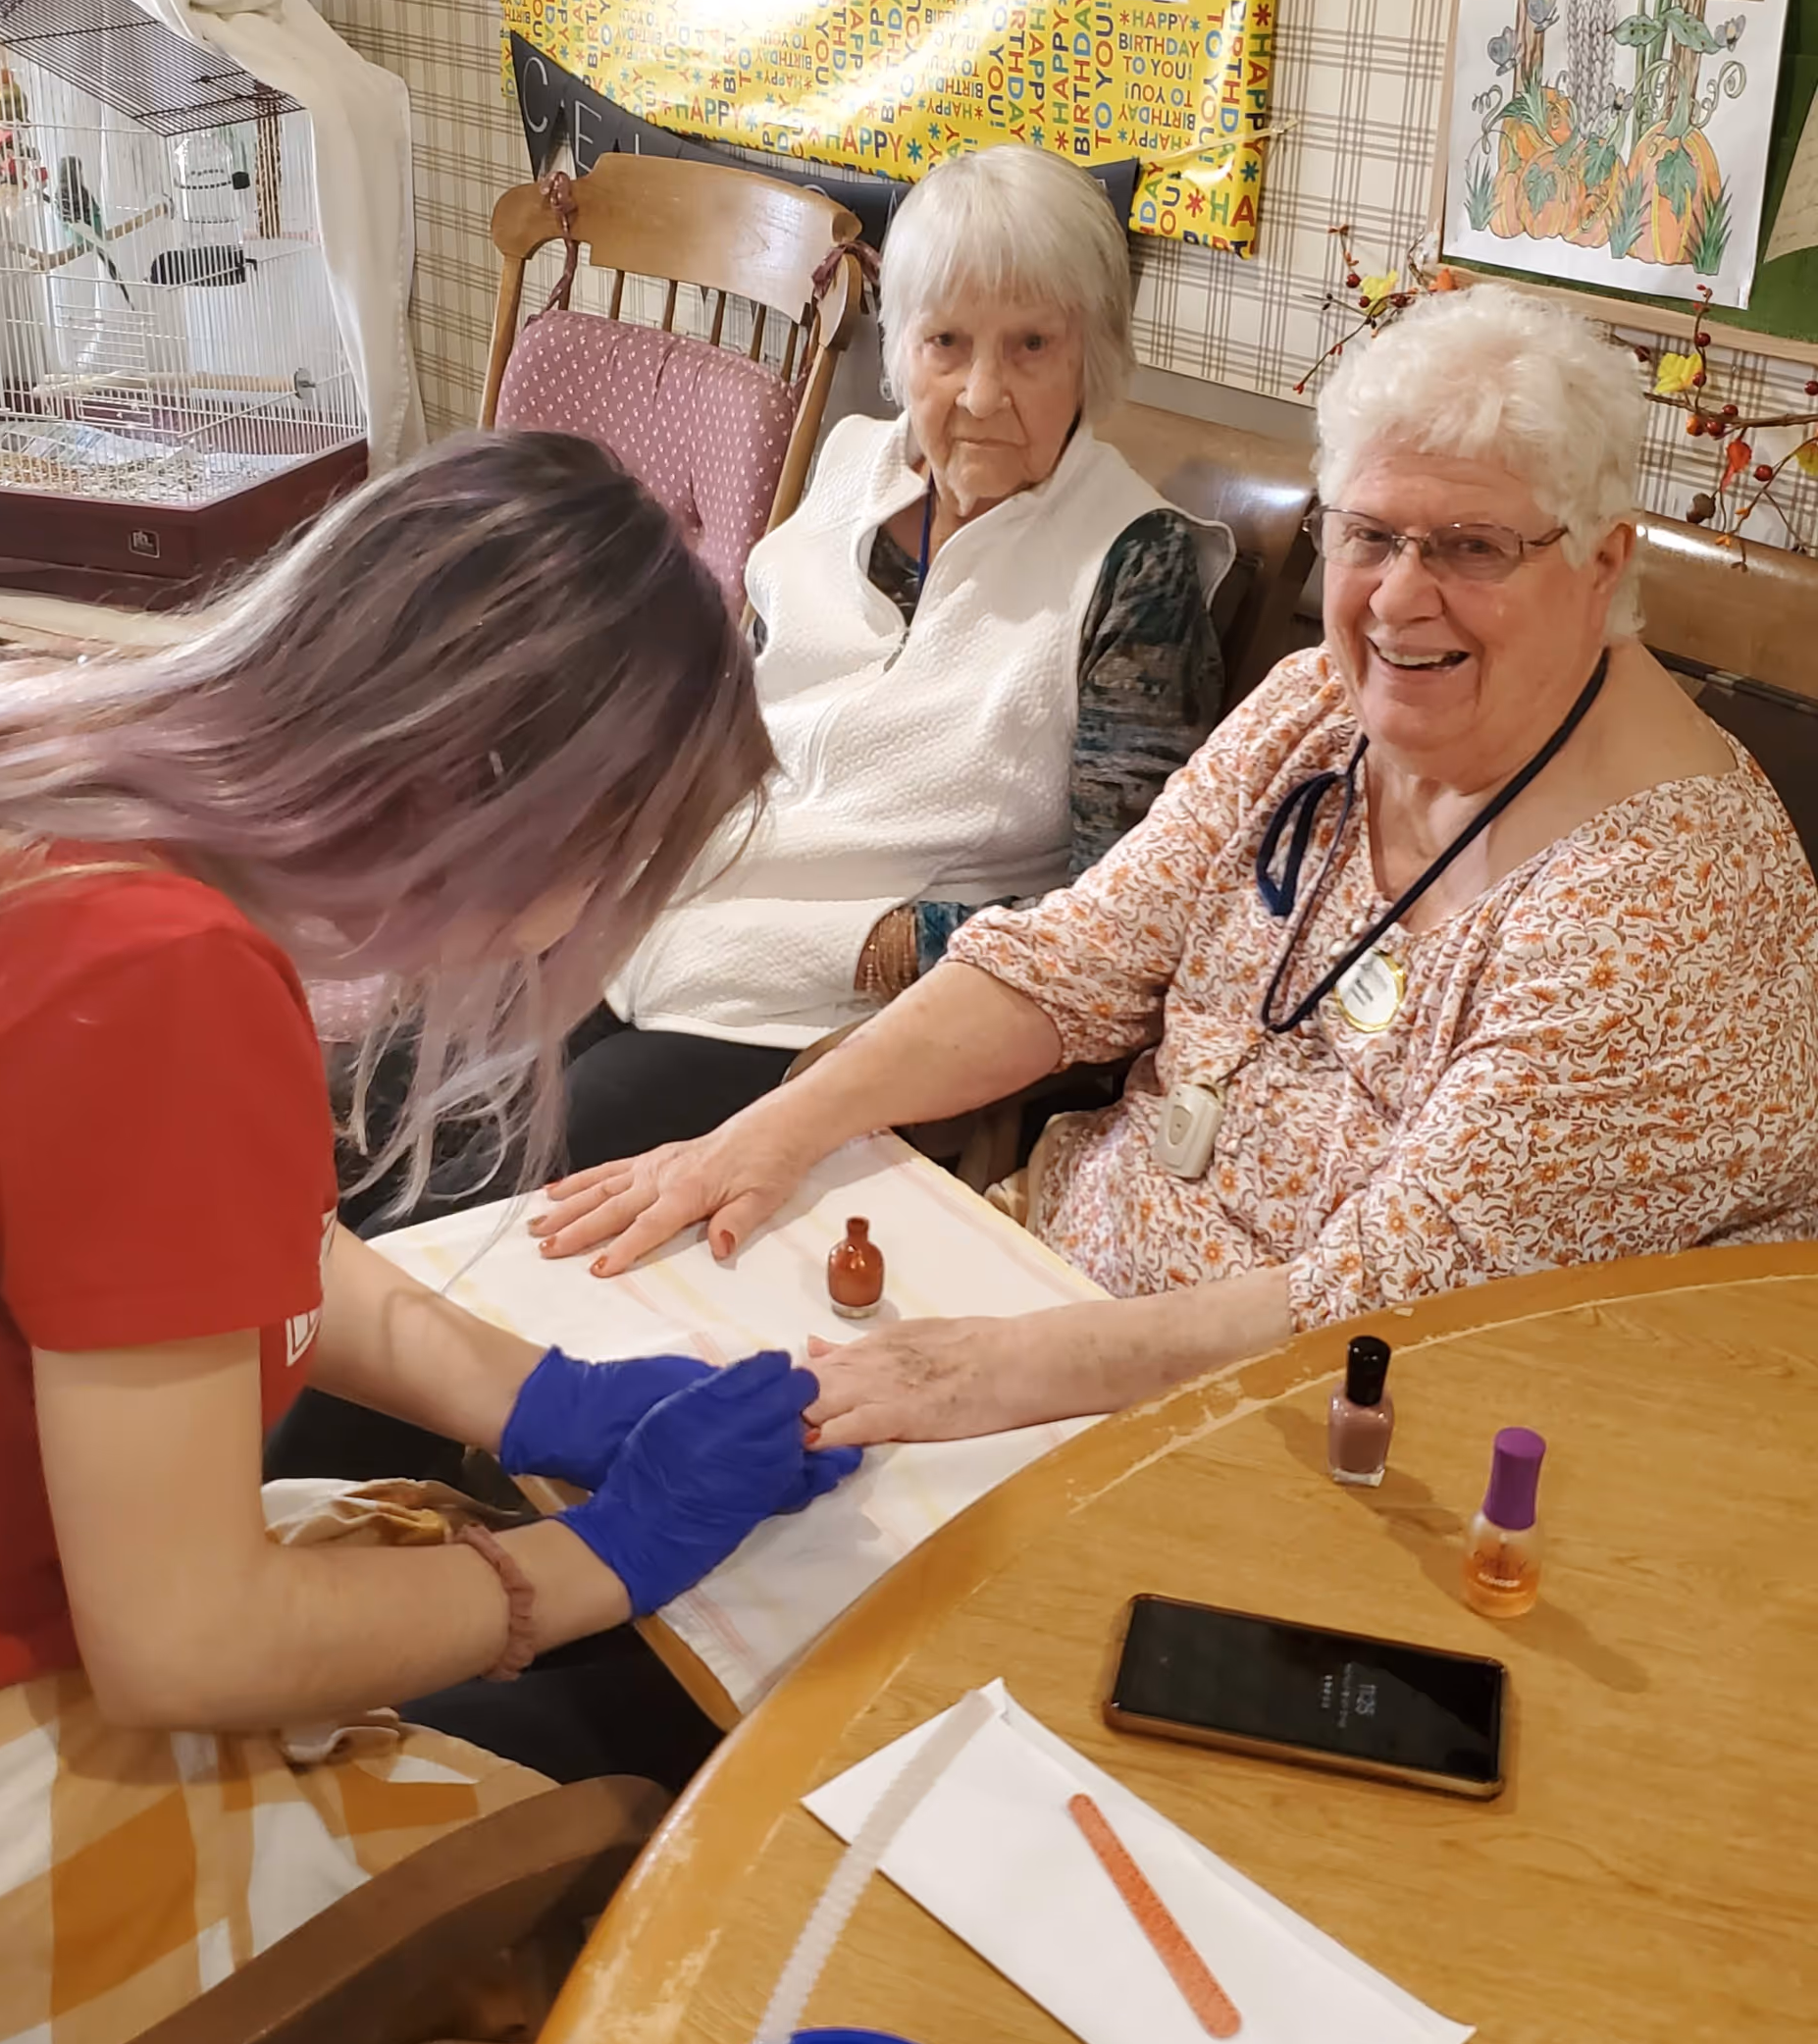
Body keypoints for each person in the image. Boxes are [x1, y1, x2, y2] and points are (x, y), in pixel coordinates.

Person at [0, 434, 859, 2044]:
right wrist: (599, 1558)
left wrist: (533, 1395)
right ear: (495, 793)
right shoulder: (160, 987)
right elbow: (189, 1639)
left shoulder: (45, 753)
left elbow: (181, 1248)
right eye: (616, 863)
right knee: (599, 1997)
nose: (577, 927)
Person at [531, 286, 1818, 1444]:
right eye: (1367, 536)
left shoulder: (1662, 908)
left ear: (1605, 564)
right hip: (1061, 1290)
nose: (1398, 601)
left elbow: (1390, 1305)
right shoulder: (1318, 713)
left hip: (1320, 1435)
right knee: (619, 1372)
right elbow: (1068, 962)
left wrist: (975, 1378)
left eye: (1473, 548)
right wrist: (765, 1136)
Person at [343, 145, 1227, 1222]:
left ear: (1093, 353)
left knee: (524, 1167)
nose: (983, 392)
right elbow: (748, 689)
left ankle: (386, 1370)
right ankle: (265, 1336)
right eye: (947, 343)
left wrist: (901, 942)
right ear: (903, 348)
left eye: (1032, 345)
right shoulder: (858, 460)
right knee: (392, 1077)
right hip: (669, 889)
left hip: (828, 994)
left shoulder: (1135, 565)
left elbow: (1118, 918)